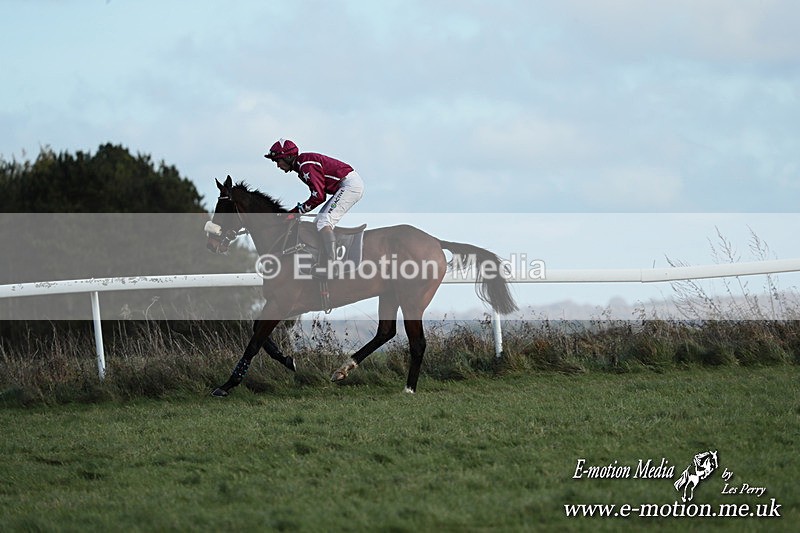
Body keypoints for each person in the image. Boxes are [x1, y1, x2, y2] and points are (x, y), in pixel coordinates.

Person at [264, 138, 364, 276]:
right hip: (345, 185)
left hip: (349, 185)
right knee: (318, 223)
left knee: (324, 222)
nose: (277, 165)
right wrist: (296, 212)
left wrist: (295, 212)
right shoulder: (302, 165)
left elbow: (318, 196)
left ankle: (331, 265)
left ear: (288, 157)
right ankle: (325, 260)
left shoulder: (306, 165)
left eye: (277, 161)